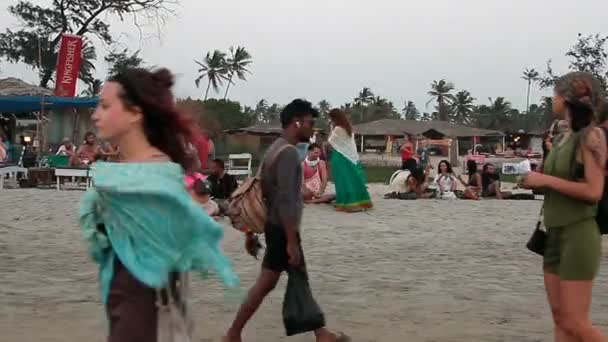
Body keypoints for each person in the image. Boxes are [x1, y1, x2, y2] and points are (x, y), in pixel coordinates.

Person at [80, 68, 238, 342]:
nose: (96, 115)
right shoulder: (139, 175)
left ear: (135, 113)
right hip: (129, 310)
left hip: (140, 317)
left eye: (106, 106)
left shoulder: (150, 180)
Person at [223, 99, 349, 342]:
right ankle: (234, 333)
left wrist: (251, 232)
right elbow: (286, 201)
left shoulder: (274, 149)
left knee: (278, 281)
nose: (313, 129)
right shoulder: (289, 153)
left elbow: (261, 193)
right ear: (296, 122)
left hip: (273, 226)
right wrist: (292, 241)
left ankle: (235, 332)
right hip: (283, 228)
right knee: (287, 278)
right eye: (310, 123)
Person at [520, 72, 607, 342]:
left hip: (578, 234)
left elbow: (593, 192)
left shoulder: (589, 137)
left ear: (568, 98)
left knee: (576, 322)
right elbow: (560, 181)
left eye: (555, 94)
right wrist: (537, 183)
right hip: (554, 234)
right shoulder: (562, 136)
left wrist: (544, 179)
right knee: (560, 319)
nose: (552, 100)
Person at [327, 109, 373, 212]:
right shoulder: (348, 128)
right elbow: (350, 145)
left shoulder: (338, 129)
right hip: (349, 157)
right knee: (351, 179)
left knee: (342, 180)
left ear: (334, 118)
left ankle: (345, 203)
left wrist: (331, 128)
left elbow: (330, 141)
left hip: (340, 156)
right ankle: (361, 201)